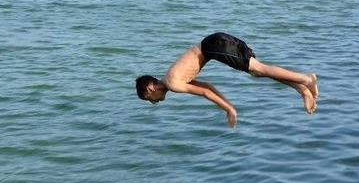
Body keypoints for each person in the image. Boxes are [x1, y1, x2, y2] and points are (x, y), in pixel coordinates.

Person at [135, 32, 319, 128]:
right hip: (215, 44)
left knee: (258, 69)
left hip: (216, 46)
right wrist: (229, 105)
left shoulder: (173, 84)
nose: (153, 103)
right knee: (257, 72)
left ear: (150, 89)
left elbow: (206, 93)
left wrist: (230, 110)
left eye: (148, 99)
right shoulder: (171, 80)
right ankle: (301, 88)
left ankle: (306, 79)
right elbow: (208, 86)